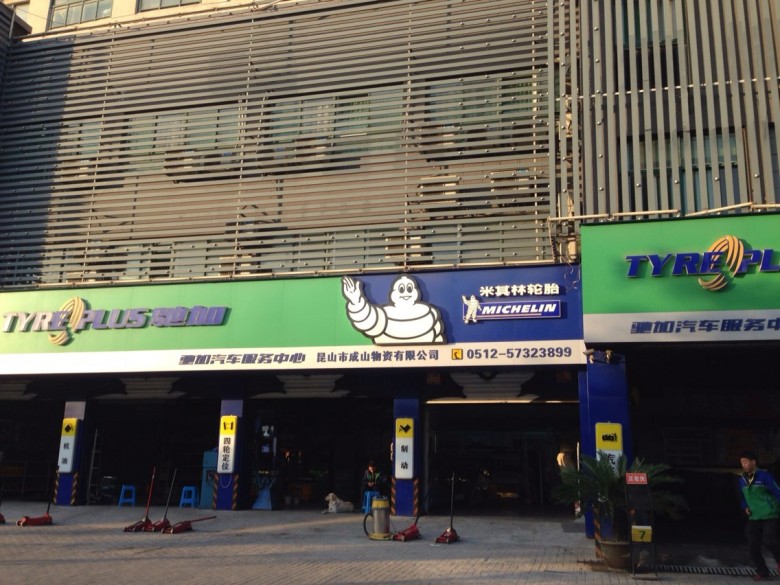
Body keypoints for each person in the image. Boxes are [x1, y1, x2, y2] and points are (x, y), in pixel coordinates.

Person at [738, 451, 780, 581]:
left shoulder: (765, 476)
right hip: (754, 517)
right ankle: (762, 571)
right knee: (752, 545)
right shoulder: (742, 480)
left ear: (753, 462)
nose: (743, 465)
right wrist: (745, 507)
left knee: (768, 540)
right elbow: (743, 497)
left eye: (745, 462)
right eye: (742, 463)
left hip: (770, 514)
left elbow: (777, 491)